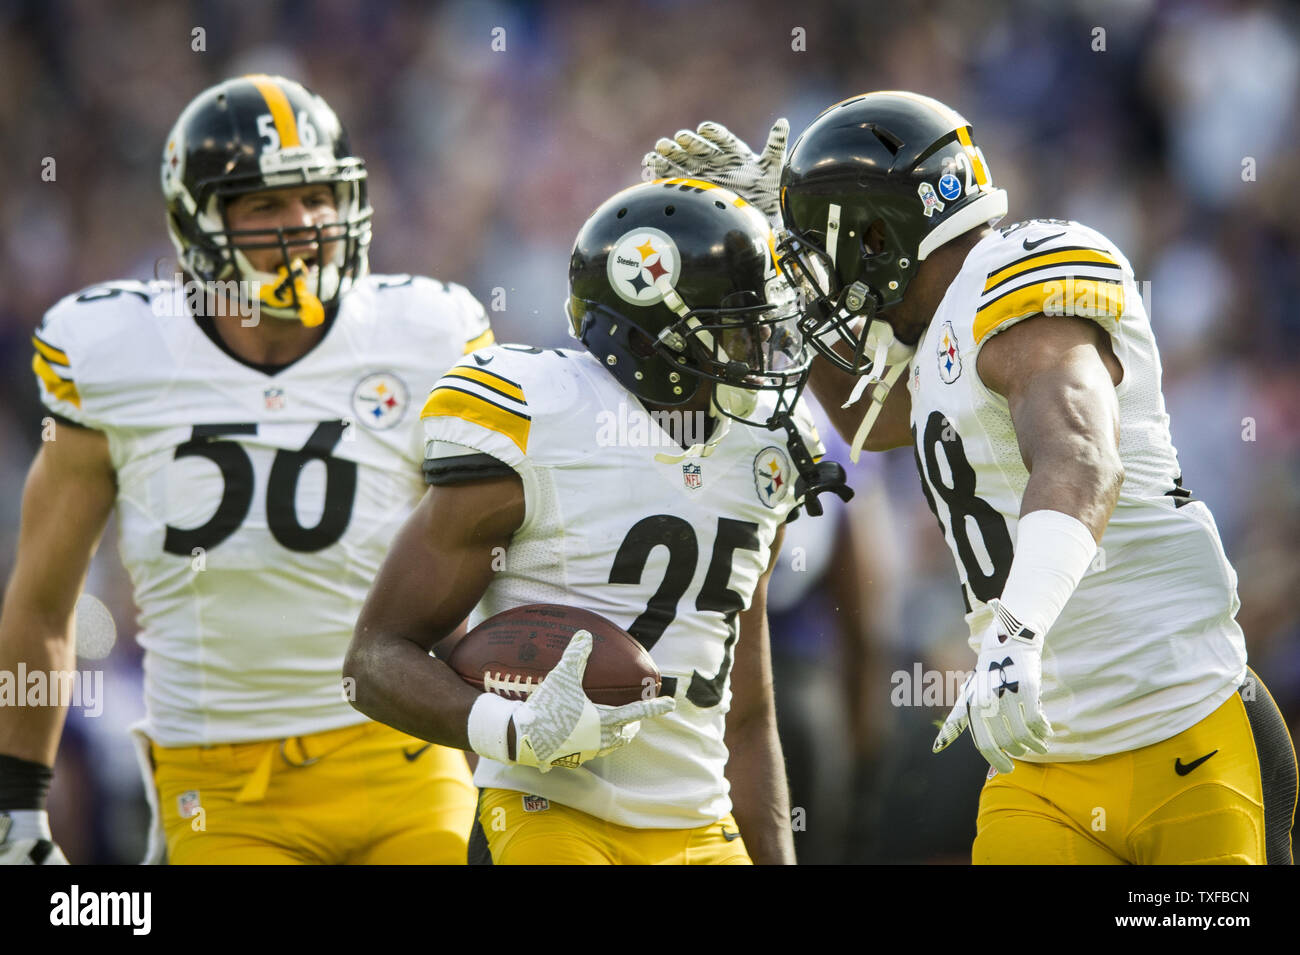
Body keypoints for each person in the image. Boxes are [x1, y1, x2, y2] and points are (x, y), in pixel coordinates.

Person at [645, 91, 1298, 864]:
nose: (821, 284)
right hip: (1043, 759)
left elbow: (1081, 457)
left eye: (826, 254)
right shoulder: (941, 336)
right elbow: (865, 423)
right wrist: (779, 272)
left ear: (880, 239)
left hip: (1181, 723)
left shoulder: (1018, 278)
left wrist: (1015, 630)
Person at [0, 74, 492, 864]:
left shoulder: (424, 334)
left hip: (406, 756)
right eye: (265, 205)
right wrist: (17, 806)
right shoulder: (115, 356)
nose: (303, 226)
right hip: (221, 783)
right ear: (198, 224)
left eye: (319, 198)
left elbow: (490, 566)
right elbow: (44, 600)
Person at [344, 178, 841, 865]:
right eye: (738, 325)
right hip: (548, 813)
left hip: (701, 826)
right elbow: (374, 658)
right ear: (660, 337)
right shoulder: (536, 421)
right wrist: (513, 730)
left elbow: (748, 714)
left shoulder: (764, 448)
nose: (763, 347)